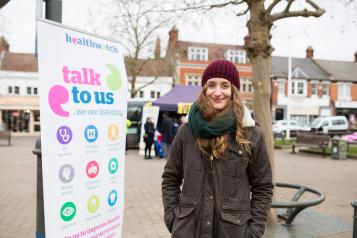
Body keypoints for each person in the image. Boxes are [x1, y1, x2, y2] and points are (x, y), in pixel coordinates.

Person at [162, 59, 273, 238]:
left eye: (225, 85)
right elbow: (170, 177)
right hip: (189, 230)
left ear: (233, 90)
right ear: (205, 89)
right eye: (211, 85)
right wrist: (172, 219)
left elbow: (263, 186)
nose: (217, 92)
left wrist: (254, 231)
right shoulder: (187, 131)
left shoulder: (251, 134)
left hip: (233, 232)